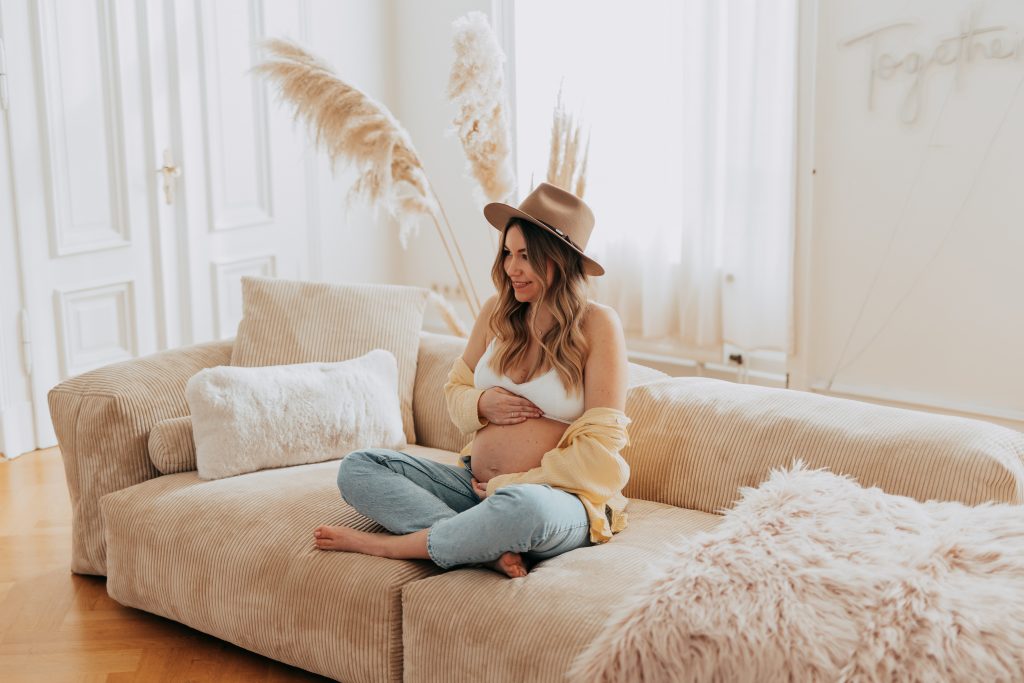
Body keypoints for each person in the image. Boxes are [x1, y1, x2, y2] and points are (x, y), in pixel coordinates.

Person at [313, 182, 631, 578]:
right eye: (507, 254)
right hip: (474, 487)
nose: (511, 268)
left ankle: (397, 546)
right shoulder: (497, 312)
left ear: (560, 259)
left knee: (521, 507)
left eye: (526, 256)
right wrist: (480, 404)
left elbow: (601, 454)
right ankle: (482, 545)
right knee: (359, 468)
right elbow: (454, 393)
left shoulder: (598, 325)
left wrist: (514, 482)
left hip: (558, 498)